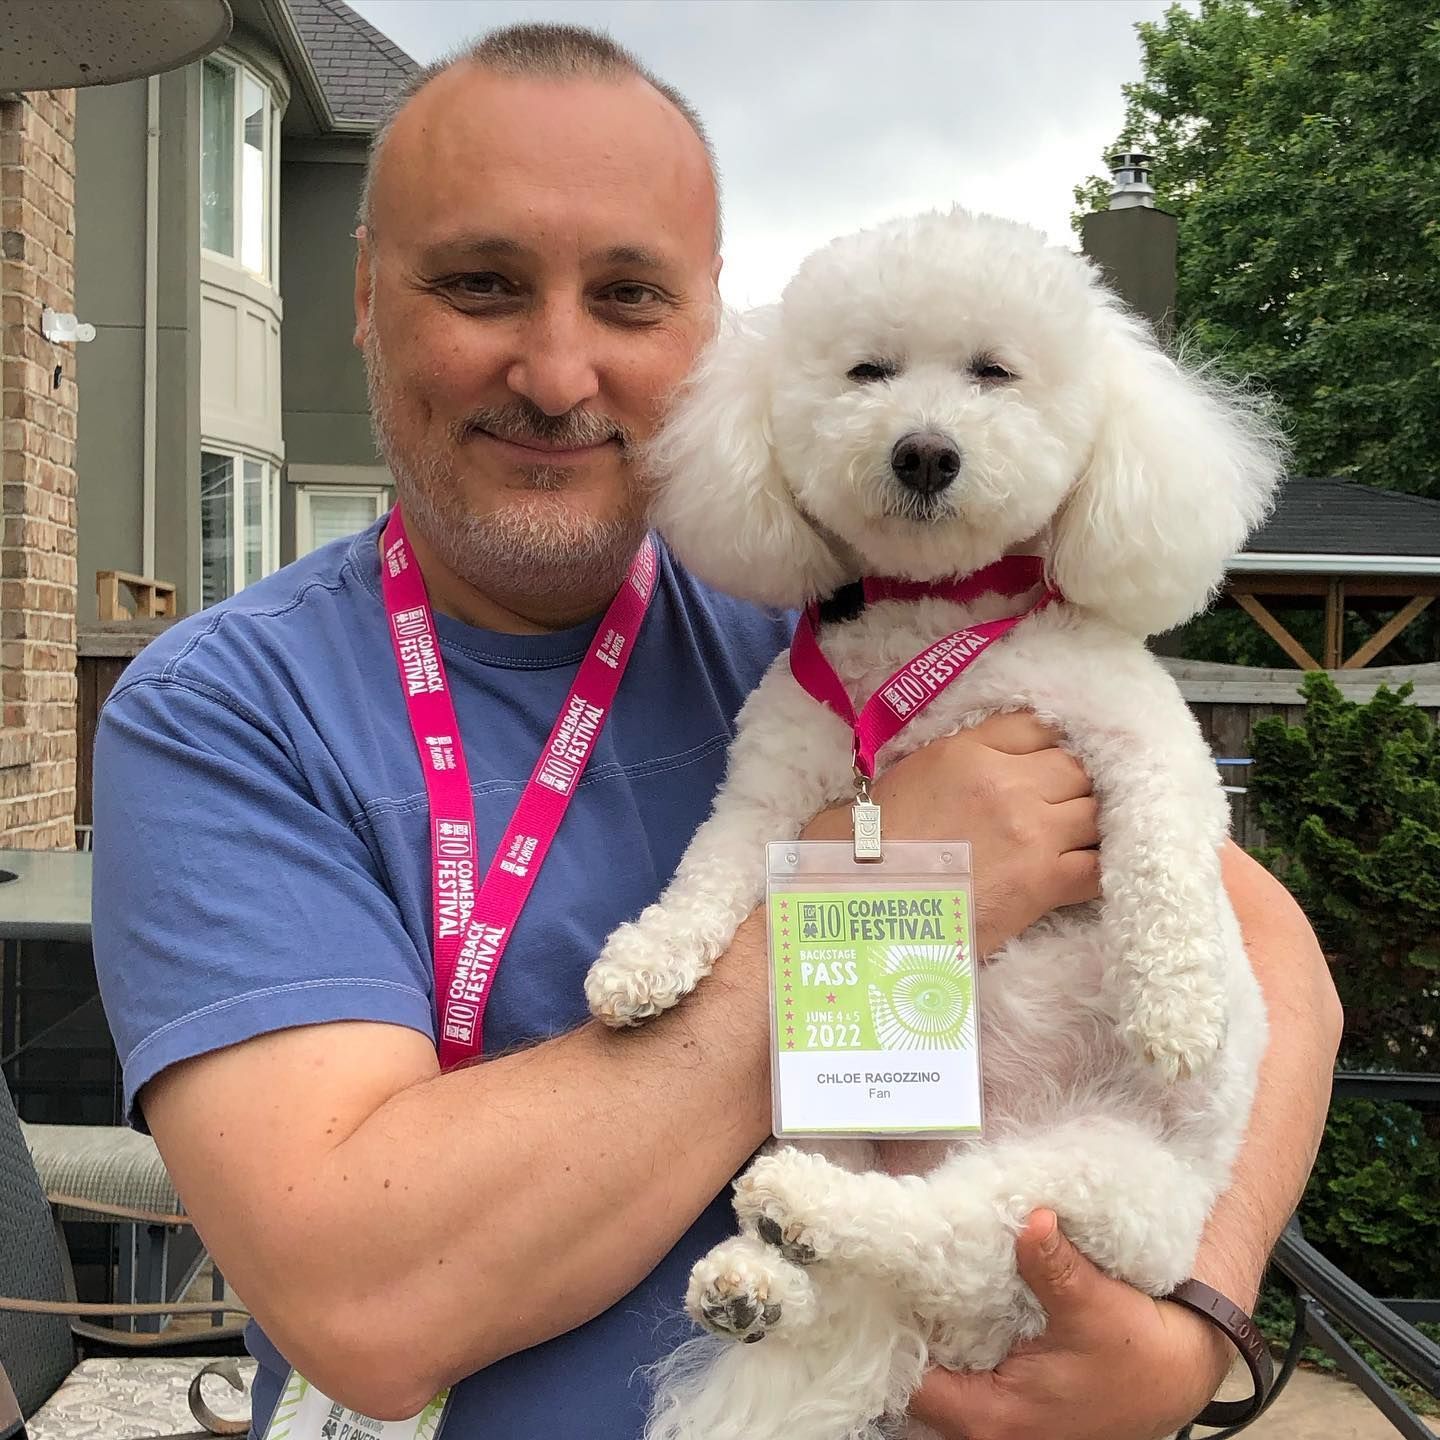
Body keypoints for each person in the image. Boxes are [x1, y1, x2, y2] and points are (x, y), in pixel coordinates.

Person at [92, 23, 1341, 1440]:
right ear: (366, 300)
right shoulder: (223, 720)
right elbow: (373, 1308)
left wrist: (1194, 1322)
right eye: (482, 284)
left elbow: (1276, 960)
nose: (558, 372)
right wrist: (901, 886)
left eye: (629, 296)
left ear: (713, 330)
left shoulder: (850, 608)